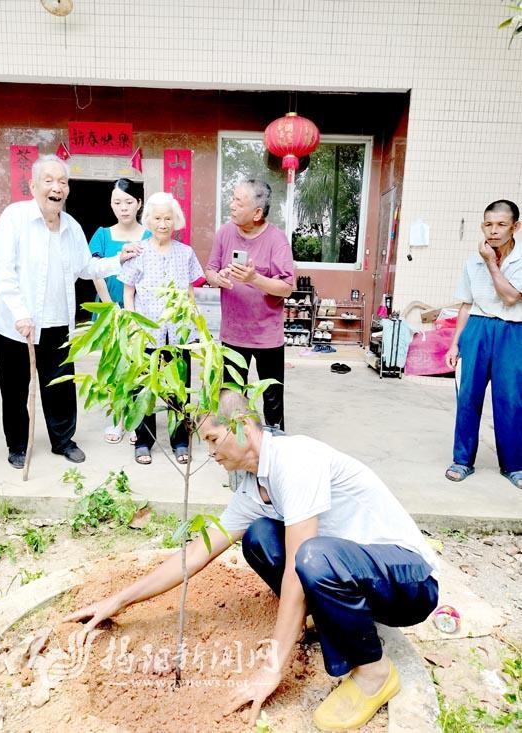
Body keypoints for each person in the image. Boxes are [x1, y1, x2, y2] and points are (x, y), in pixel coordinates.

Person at [65, 390, 439, 731]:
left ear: (243, 427)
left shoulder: (295, 460)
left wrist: (272, 666)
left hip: (408, 581)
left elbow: (298, 565)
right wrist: (118, 600)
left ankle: (375, 673)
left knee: (310, 556)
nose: (209, 453)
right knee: (260, 535)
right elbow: (197, 552)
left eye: (212, 439)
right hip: (356, 574)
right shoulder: (252, 488)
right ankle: (324, 619)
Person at [0, 154, 141, 469]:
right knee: (15, 388)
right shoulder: (14, 218)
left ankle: (62, 441)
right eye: (49, 180)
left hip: (57, 321)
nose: (57, 187)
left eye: (62, 181)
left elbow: (86, 267)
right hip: (15, 325)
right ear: (33, 185)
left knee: (60, 385)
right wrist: (20, 313)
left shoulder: (71, 226)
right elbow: (4, 274)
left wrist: (119, 260)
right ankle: (17, 444)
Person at [119, 191, 204, 465]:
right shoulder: (138, 252)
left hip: (178, 334)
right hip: (146, 334)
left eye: (168, 218)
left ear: (175, 220)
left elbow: (190, 293)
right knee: (144, 388)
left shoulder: (186, 253)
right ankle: (143, 442)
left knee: (178, 389)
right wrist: (132, 322)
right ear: (149, 220)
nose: (163, 223)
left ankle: (180, 441)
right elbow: (128, 292)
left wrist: (196, 326)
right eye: (157, 218)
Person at [445, 199, 522, 489]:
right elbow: (466, 305)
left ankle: (514, 465)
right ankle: (462, 460)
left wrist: (491, 262)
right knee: (468, 397)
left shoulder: (514, 259)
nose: (494, 231)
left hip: (513, 331)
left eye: (501, 224)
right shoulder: (472, 261)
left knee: (512, 399)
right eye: (488, 224)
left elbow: (511, 297)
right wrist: (455, 344)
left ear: (516, 227)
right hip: (477, 328)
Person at [206, 179, 294, 430]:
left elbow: (287, 288)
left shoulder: (277, 240)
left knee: (272, 398)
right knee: (231, 394)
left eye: (238, 202)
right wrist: (218, 278)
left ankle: (275, 446)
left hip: (267, 336)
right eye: (232, 199)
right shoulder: (224, 233)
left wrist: (254, 278)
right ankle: (233, 445)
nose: (231, 206)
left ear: (257, 212)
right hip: (233, 334)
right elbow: (210, 270)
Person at [89, 178, 151, 444]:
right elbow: (94, 272)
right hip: (109, 310)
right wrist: (109, 305)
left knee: (139, 364)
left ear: (138, 203)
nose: (123, 208)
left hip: (140, 311)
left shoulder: (149, 236)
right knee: (113, 364)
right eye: (117, 202)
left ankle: (137, 421)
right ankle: (117, 418)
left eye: (128, 202)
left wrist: (133, 308)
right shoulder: (102, 234)